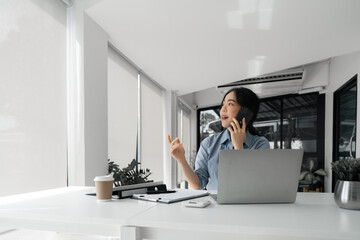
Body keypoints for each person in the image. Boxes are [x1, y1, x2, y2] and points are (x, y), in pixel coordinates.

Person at [168, 87, 270, 190]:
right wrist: (181, 159)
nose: (222, 110)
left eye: (230, 104)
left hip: (246, 205)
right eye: (223, 104)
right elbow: (197, 185)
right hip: (214, 205)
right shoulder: (208, 144)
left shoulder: (260, 144)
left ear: (245, 112)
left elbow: (256, 184)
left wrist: (238, 146)